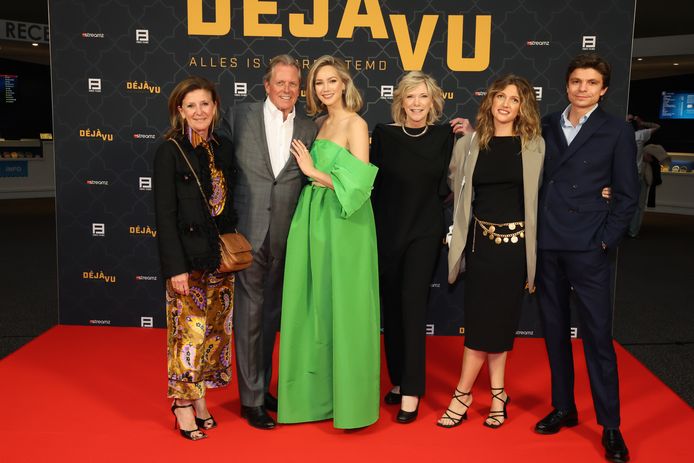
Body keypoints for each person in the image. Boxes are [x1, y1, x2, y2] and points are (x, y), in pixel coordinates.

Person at [534, 53, 638, 463]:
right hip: (547, 244)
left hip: (588, 246)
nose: (582, 88)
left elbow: (627, 194)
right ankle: (564, 406)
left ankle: (610, 426)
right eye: (576, 81)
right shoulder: (545, 124)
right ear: (567, 85)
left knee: (597, 339)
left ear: (603, 89)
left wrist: (604, 241)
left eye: (591, 82)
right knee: (555, 332)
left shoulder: (615, 130)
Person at [277, 55, 380, 429]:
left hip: (345, 221)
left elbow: (359, 188)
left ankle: (351, 403)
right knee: (314, 305)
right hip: (313, 219)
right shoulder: (318, 123)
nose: (325, 88)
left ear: (344, 84)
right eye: (318, 82)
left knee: (346, 306)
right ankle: (314, 399)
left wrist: (312, 172)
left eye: (331, 81)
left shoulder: (356, 123)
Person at [437, 75, 545, 429]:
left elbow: (551, 188)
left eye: (514, 99)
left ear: (522, 107)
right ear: (490, 101)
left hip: (516, 251)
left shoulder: (534, 146)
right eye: (500, 96)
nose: (505, 104)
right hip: (481, 247)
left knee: (500, 325)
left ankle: (470, 394)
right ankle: (486, 394)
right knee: (483, 324)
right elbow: (454, 188)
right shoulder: (468, 144)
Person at [218, 55, 318, 429]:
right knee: (250, 316)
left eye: (293, 84)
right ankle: (252, 400)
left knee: (271, 317)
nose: (287, 90)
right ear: (266, 85)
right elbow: (218, 164)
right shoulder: (240, 115)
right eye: (281, 83)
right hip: (247, 233)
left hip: (287, 236)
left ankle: (261, 386)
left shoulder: (309, 127)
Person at [370, 71, 456, 424]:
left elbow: (458, 179)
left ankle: (412, 390)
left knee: (413, 308)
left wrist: (469, 137)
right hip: (387, 232)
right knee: (392, 310)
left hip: (425, 233)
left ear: (433, 100)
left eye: (423, 97)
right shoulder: (384, 135)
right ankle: (399, 379)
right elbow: (368, 181)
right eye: (410, 97)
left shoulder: (444, 136)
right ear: (400, 101)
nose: (417, 104)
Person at [153, 76, 237, 440]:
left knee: (214, 335)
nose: (199, 111)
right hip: (188, 260)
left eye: (205, 104)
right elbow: (163, 214)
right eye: (191, 106)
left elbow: (228, 205)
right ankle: (183, 403)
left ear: (215, 107)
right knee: (188, 336)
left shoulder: (223, 147)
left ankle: (200, 396)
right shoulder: (169, 151)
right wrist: (176, 268)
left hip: (219, 258)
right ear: (179, 111)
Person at [626, 115, 660, 237]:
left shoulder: (621, 135)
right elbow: (657, 126)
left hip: (623, 176)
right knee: (638, 205)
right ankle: (633, 231)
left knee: (622, 202)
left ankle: (621, 229)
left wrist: (625, 119)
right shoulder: (640, 135)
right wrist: (643, 122)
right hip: (637, 175)